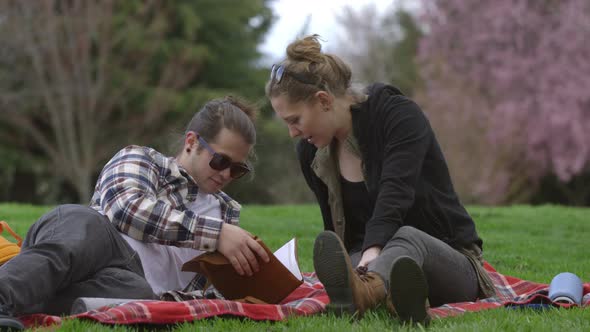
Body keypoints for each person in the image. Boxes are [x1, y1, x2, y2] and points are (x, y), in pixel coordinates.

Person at [265, 35, 496, 324]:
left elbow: (396, 191)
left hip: (448, 261)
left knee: (407, 237)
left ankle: (368, 292)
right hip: (369, 261)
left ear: (323, 101)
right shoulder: (311, 152)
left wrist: (374, 252)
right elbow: (338, 231)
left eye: (294, 120)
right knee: (349, 259)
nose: (293, 133)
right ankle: (399, 300)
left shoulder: (397, 115)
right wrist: (358, 260)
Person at [0, 96, 269, 330]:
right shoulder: (142, 160)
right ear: (191, 142)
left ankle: (21, 306)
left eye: (237, 169)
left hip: (129, 284)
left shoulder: (226, 215)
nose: (225, 174)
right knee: (87, 226)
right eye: (220, 160)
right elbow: (127, 209)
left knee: (139, 293)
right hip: (94, 243)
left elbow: (202, 295)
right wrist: (216, 234)